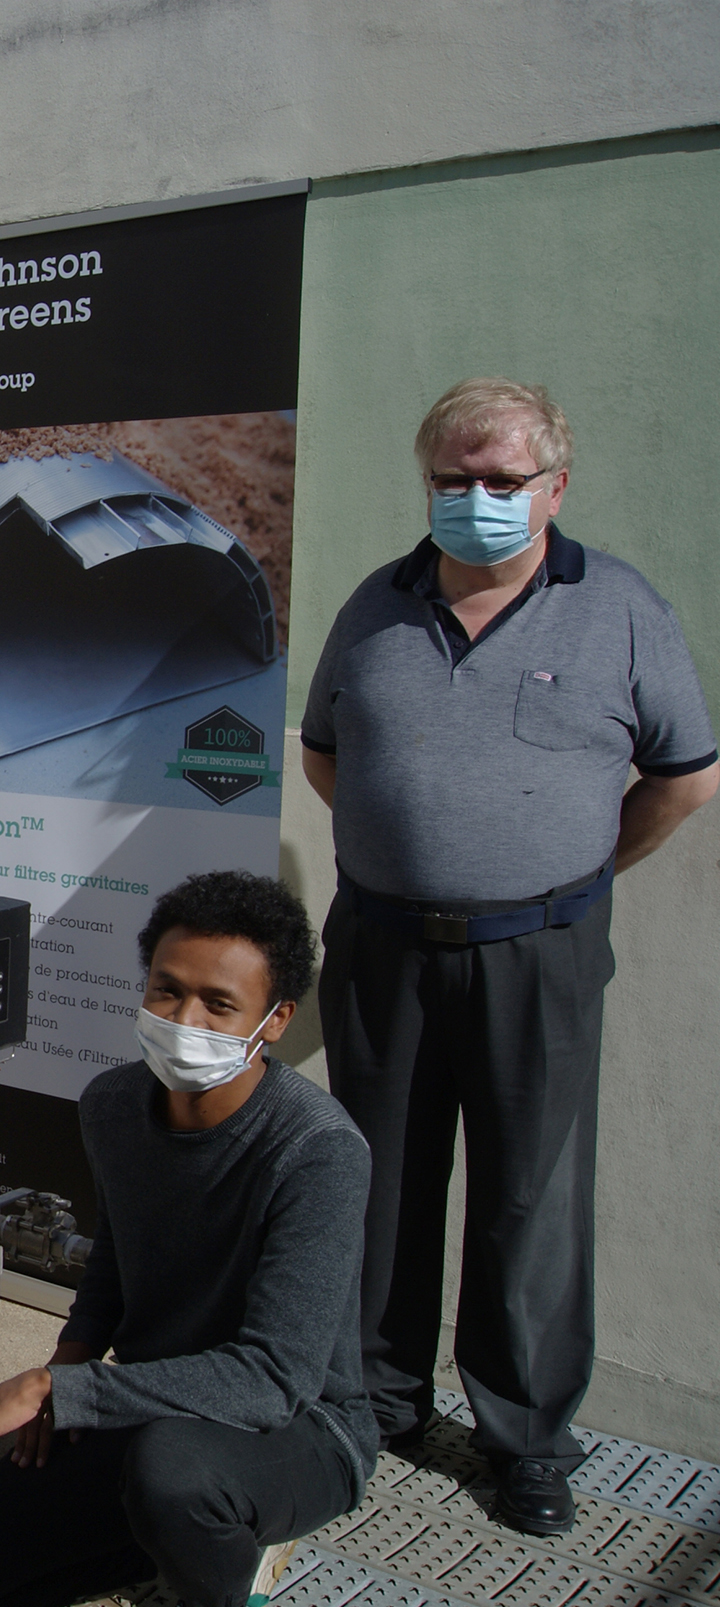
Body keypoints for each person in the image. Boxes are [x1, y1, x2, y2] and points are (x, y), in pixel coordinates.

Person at [301, 378, 716, 1537]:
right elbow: (330, 753)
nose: (475, 497)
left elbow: (685, 778)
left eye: (502, 479)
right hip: (383, 946)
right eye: (454, 478)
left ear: (555, 487)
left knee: (530, 1195)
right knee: (378, 1180)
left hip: (539, 953)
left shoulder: (620, 607)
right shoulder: (375, 605)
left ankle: (525, 1436)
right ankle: (375, 1399)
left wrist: (564, 875)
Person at [0, 872, 373, 1607]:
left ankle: (230, 1561)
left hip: (298, 1429)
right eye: (168, 989)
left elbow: (272, 1378)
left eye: (219, 1003)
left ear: (277, 1017)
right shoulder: (113, 1103)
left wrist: (53, 1387)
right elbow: (114, 1266)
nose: (185, 1018)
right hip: (153, 1405)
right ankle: (167, 1536)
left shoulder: (318, 1150)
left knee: (174, 1476)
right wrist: (63, 1375)